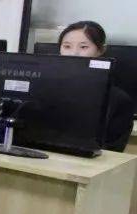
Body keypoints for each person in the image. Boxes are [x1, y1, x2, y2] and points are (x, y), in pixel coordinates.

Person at [57, 20, 135, 152]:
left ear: (101, 50)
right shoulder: (46, 90)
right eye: (67, 46)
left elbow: (111, 151)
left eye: (83, 47)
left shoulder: (118, 100)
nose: (74, 53)